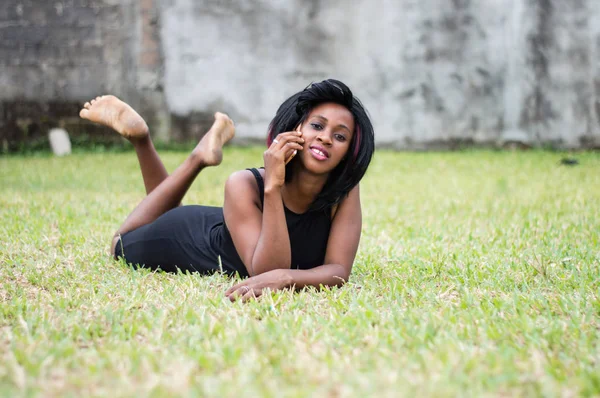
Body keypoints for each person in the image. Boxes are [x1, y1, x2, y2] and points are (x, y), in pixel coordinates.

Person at [79, 79, 375, 301]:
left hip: (228, 224)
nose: (325, 138)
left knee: (164, 208)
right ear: (294, 129)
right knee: (119, 244)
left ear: (350, 151)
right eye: (317, 126)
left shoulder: (344, 192)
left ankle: (187, 151)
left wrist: (287, 279)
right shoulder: (244, 184)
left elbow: (337, 270)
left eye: (339, 136)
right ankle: (158, 144)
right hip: (186, 236)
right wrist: (273, 186)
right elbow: (265, 270)